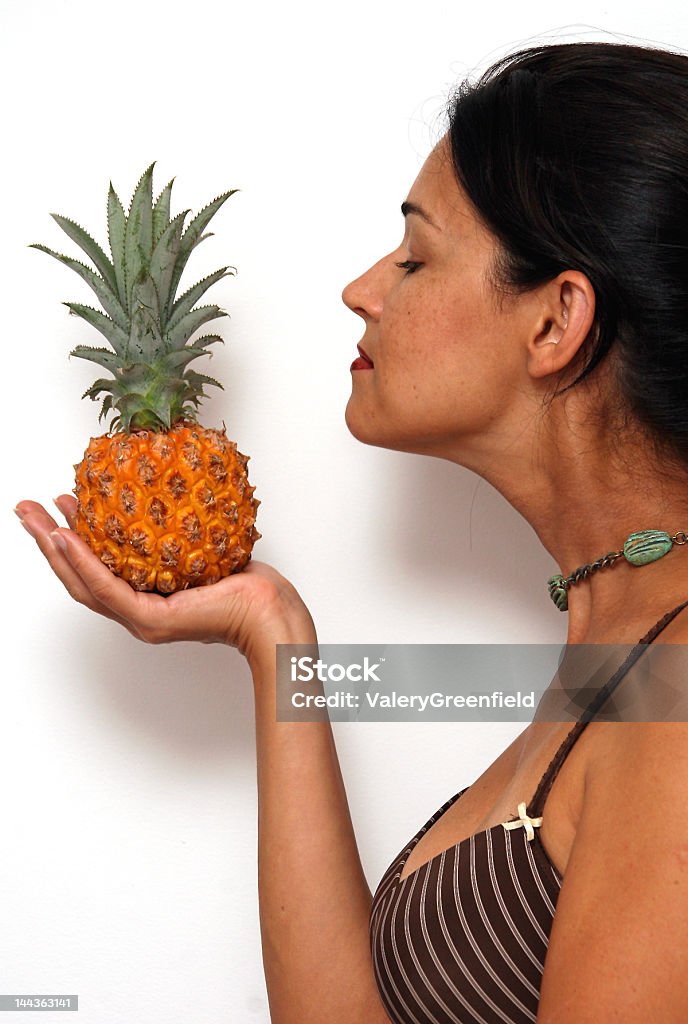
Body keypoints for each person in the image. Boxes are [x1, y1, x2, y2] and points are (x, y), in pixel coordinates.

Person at [15, 38, 688, 1023]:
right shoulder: (625, 652)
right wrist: (272, 629)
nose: (363, 288)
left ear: (554, 323)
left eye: (416, 255)